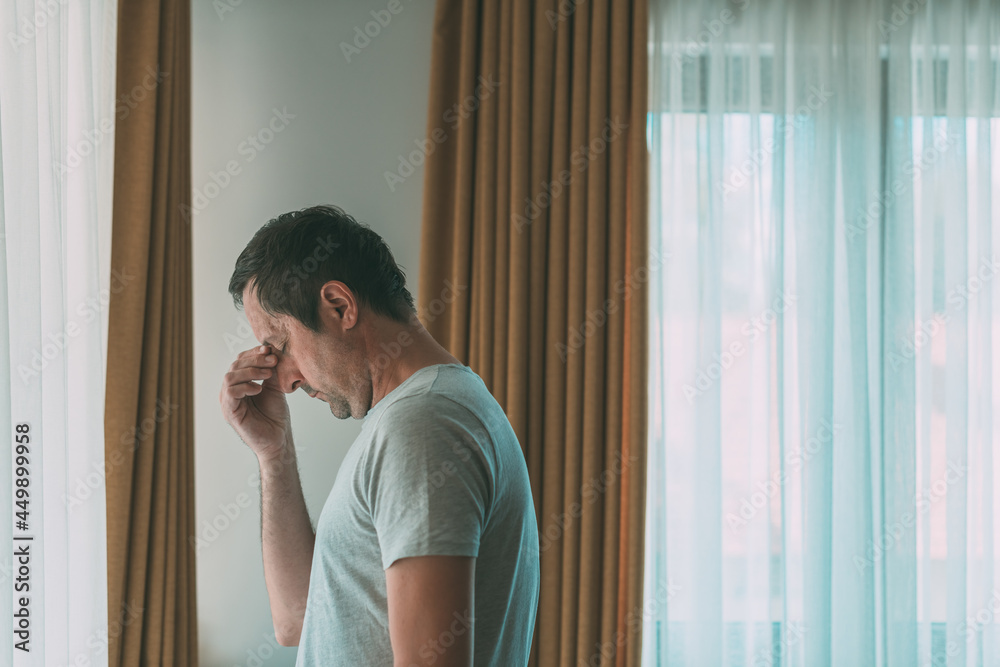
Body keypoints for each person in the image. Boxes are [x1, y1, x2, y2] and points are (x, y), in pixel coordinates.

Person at [218, 204, 539, 666]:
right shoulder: (416, 417)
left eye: (281, 347)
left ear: (339, 306)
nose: (283, 380)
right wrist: (275, 453)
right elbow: (297, 620)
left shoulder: (425, 425)